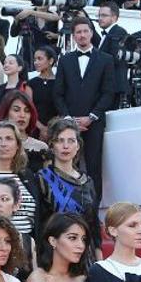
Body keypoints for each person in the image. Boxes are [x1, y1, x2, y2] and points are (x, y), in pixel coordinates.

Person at [53, 18, 115, 189]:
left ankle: (93, 211)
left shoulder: (106, 59)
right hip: (69, 124)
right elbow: (58, 93)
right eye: (78, 32)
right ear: (73, 36)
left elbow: (108, 92)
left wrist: (91, 117)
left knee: (94, 167)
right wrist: (69, 120)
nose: (82, 35)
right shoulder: (65, 60)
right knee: (67, 165)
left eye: (85, 31)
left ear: (91, 33)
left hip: (94, 123)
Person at [36, 117, 101, 254]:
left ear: (78, 146)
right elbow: (39, 223)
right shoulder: (43, 178)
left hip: (85, 252)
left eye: (71, 141)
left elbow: (94, 225)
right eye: (60, 140)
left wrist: (98, 257)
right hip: (55, 253)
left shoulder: (87, 181)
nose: (66, 146)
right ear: (52, 145)